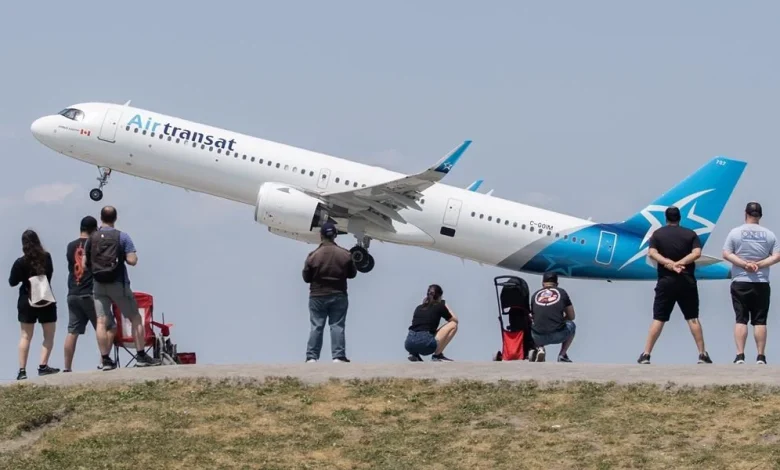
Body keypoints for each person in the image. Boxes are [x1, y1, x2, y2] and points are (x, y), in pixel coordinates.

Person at [85, 206, 159, 369]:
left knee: (101, 321)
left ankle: (105, 359)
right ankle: (141, 356)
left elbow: (85, 263)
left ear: (101, 218)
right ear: (115, 218)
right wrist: (124, 257)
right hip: (118, 283)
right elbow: (132, 260)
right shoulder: (122, 237)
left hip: (98, 285)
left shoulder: (92, 238)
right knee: (135, 318)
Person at [638, 206, 712, 364]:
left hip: (666, 281)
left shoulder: (657, 234)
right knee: (692, 318)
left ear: (666, 218)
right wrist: (680, 263)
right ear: (679, 218)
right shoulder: (690, 234)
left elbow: (652, 253)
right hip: (686, 280)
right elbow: (697, 253)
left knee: (658, 318)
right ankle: (702, 354)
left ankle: (646, 354)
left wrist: (669, 264)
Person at [722, 202, 780, 364]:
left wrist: (744, 264)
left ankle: (740, 355)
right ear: (760, 215)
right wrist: (759, 265)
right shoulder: (769, 234)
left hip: (740, 281)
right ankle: (761, 356)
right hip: (761, 281)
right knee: (760, 321)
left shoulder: (735, 232)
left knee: (741, 319)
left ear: (745, 213)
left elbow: (726, 253)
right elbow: (777, 256)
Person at [302, 221, 358, 363]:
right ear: (335, 235)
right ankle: (338, 356)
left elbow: (306, 278)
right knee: (337, 325)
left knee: (316, 326)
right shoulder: (345, 254)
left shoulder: (313, 256)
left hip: (317, 296)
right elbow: (352, 274)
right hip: (339, 295)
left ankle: (311, 357)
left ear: (321, 236)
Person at [8, 230, 60, 379]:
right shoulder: (46, 257)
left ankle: (22, 371)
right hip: (45, 298)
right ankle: (43, 366)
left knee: (25, 336)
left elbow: (12, 282)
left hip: (26, 300)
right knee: (48, 335)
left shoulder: (20, 262)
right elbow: (49, 275)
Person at [63, 216, 109, 372]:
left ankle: (67, 367)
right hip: (90, 292)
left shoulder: (70, 246)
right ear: (94, 230)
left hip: (73, 292)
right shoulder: (95, 245)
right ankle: (104, 361)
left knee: (72, 331)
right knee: (105, 327)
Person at [529, 272, 576, 362]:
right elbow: (571, 316)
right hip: (558, 335)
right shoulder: (562, 292)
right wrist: (560, 320)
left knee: (535, 324)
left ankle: (540, 348)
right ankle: (562, 355)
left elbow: (534, 316)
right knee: (571, 325)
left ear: (543, 284)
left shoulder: (535, 295)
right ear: (557, 284)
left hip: (538, 337)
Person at [405, 284, 459, 362]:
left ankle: (414, 354)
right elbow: (455, 320)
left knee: (422, 330)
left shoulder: (419, 307)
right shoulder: (440, 306)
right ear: (439, 296)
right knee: (453, 325)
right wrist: (444, 304)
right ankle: (437, 355)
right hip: (425, 344)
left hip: (409, 343)